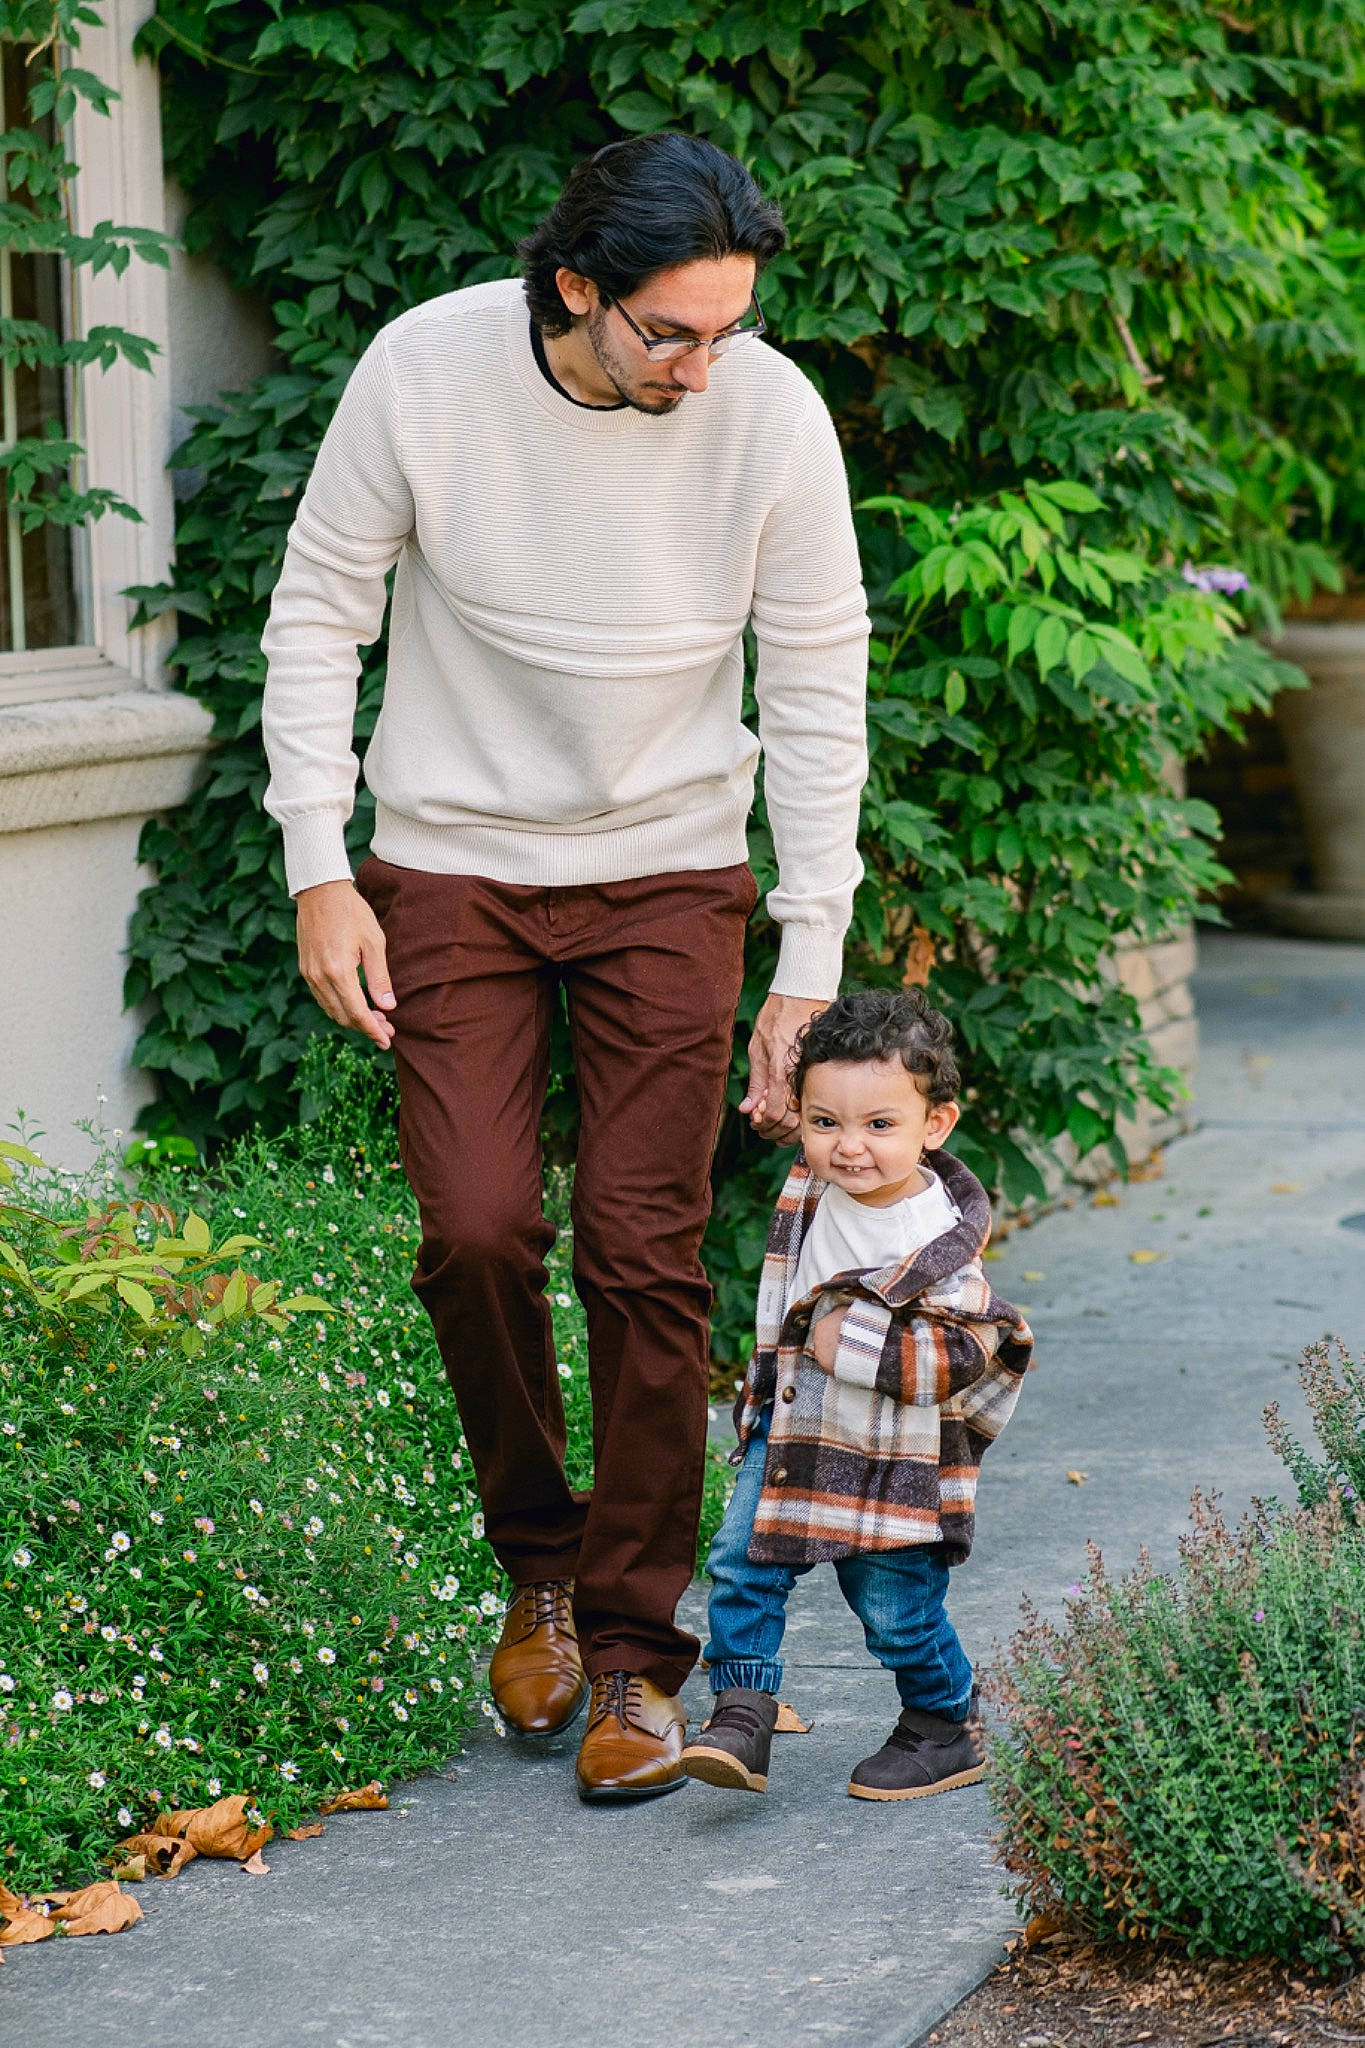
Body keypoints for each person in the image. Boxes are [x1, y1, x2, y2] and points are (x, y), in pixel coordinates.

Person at [258, 132, 870, 1802]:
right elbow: (322, 607)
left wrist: (803, 957)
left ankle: (631, 1656)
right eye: (670, 333)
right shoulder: (426, 374)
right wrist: (323, 862)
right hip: (454, 860)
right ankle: (535, 1558)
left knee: (642, 1251)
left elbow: (815, 685)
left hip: (671, 871)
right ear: (578, 290)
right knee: (472, 1226)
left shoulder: (766, 416)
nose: (704, 366)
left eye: (731, 328)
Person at [680, 988, 1033, 1800]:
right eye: (824, 1121)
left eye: (879, 1125)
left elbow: (975, 1349)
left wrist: (853, 1343)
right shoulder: (812, 1186)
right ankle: (741, 1713)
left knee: (892, 1609)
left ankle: (946, 1723)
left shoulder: (937, 1243)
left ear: (933, 1125)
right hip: (795, 1428)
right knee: (740, 1564)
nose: (848, 1147)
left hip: (889, 1456)